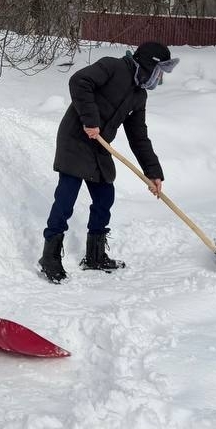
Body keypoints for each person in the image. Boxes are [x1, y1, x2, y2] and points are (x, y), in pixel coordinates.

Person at [39, 42, 176, 283]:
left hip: (98, 144)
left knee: (105, 196)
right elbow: (79, 81)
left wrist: (153, 172)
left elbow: (139, 137)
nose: (160, 77)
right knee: (66, 197)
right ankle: (49, 256)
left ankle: (94, 255)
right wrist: (90, 119)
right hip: (76, 136)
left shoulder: (139, 95)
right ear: (148, 65)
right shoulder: (112, 67)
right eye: (159, 71)